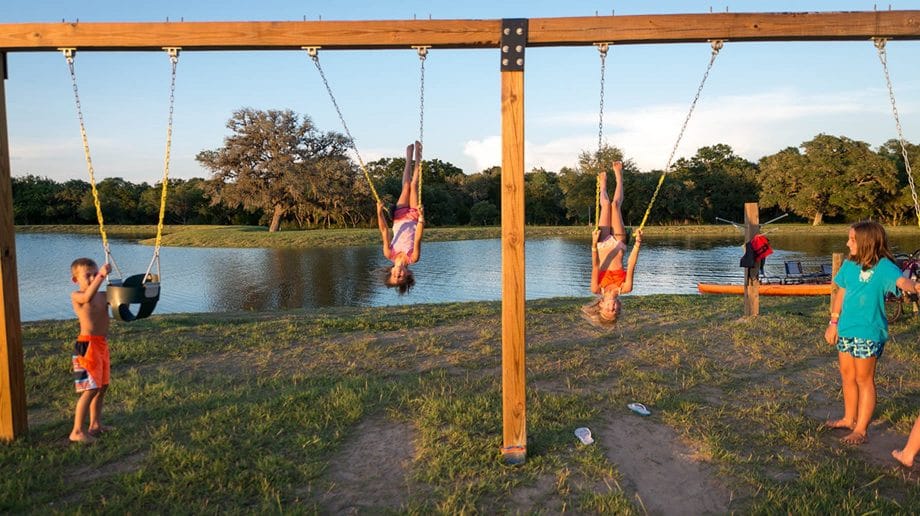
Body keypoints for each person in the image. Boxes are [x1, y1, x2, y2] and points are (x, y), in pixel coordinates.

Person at [824, 221, 920, 445]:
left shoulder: (884, 266)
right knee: (847, 376)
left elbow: (901, 281)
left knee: (863, 379)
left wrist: (914, 286)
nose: (848, 243)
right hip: (846, 328)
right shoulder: (849, 265)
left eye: (852, 239)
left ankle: (861, 429)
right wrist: (833, 322)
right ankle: (849, 418)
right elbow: (841, 294)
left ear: (867, 242)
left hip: (869, 332)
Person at [586, 161, 642, 324]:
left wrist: (594, 244)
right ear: (619, 306)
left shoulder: (596, 288)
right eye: (615, 311)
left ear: (601, 304)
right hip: (618, 243)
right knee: (615, 205)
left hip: (602, 244)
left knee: (605, 206)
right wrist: (637, 244)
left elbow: (595, 266)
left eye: (608, 311)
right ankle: (619, 177)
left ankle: (602, 185)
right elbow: (631, 265)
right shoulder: (625, 288)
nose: (613, 309)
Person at [69, 257, 112, 443]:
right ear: (75, 279)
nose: (93, 277)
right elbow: (87, 297)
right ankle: (77, 431)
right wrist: (101, 275)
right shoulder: (77, 296)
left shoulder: (103, 295)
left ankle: (95, 424)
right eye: (89, 275)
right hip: (86, 346)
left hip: (101, 344)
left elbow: (120, 300)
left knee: (102, 387)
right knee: (90, 389)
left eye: (95, 273)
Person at [378, 141, 425, 294]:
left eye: (394, 276)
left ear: (391, 272)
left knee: (405, 186)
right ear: (408, 274)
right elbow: (418, 237)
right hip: (413, 217)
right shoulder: (413, 258)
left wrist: (379, 213)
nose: (398, 275)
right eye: (401, 278)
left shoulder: (388, 254)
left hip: (399, 216)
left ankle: (408, 158)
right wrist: (421, 218)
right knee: (414, 185)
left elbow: (384, 231)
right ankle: (418, 156)